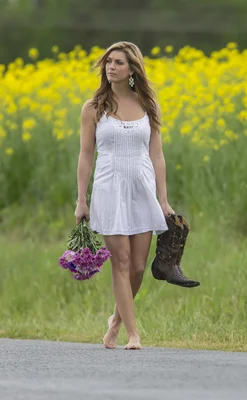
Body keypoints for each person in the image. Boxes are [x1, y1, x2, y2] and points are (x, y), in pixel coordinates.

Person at [74, 41, 173, 350]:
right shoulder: (93, 108)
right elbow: (85, 156)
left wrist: (164, 199)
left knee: (140, 266)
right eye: (108, 62)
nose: (110, 66)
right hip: (109, 189)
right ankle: (133, 333)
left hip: (142, 189)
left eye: (118, 62)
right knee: (122, 261)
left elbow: (157, 156)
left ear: (132, 70)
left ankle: (115, 320)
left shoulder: (149, 106)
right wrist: (81, 199)